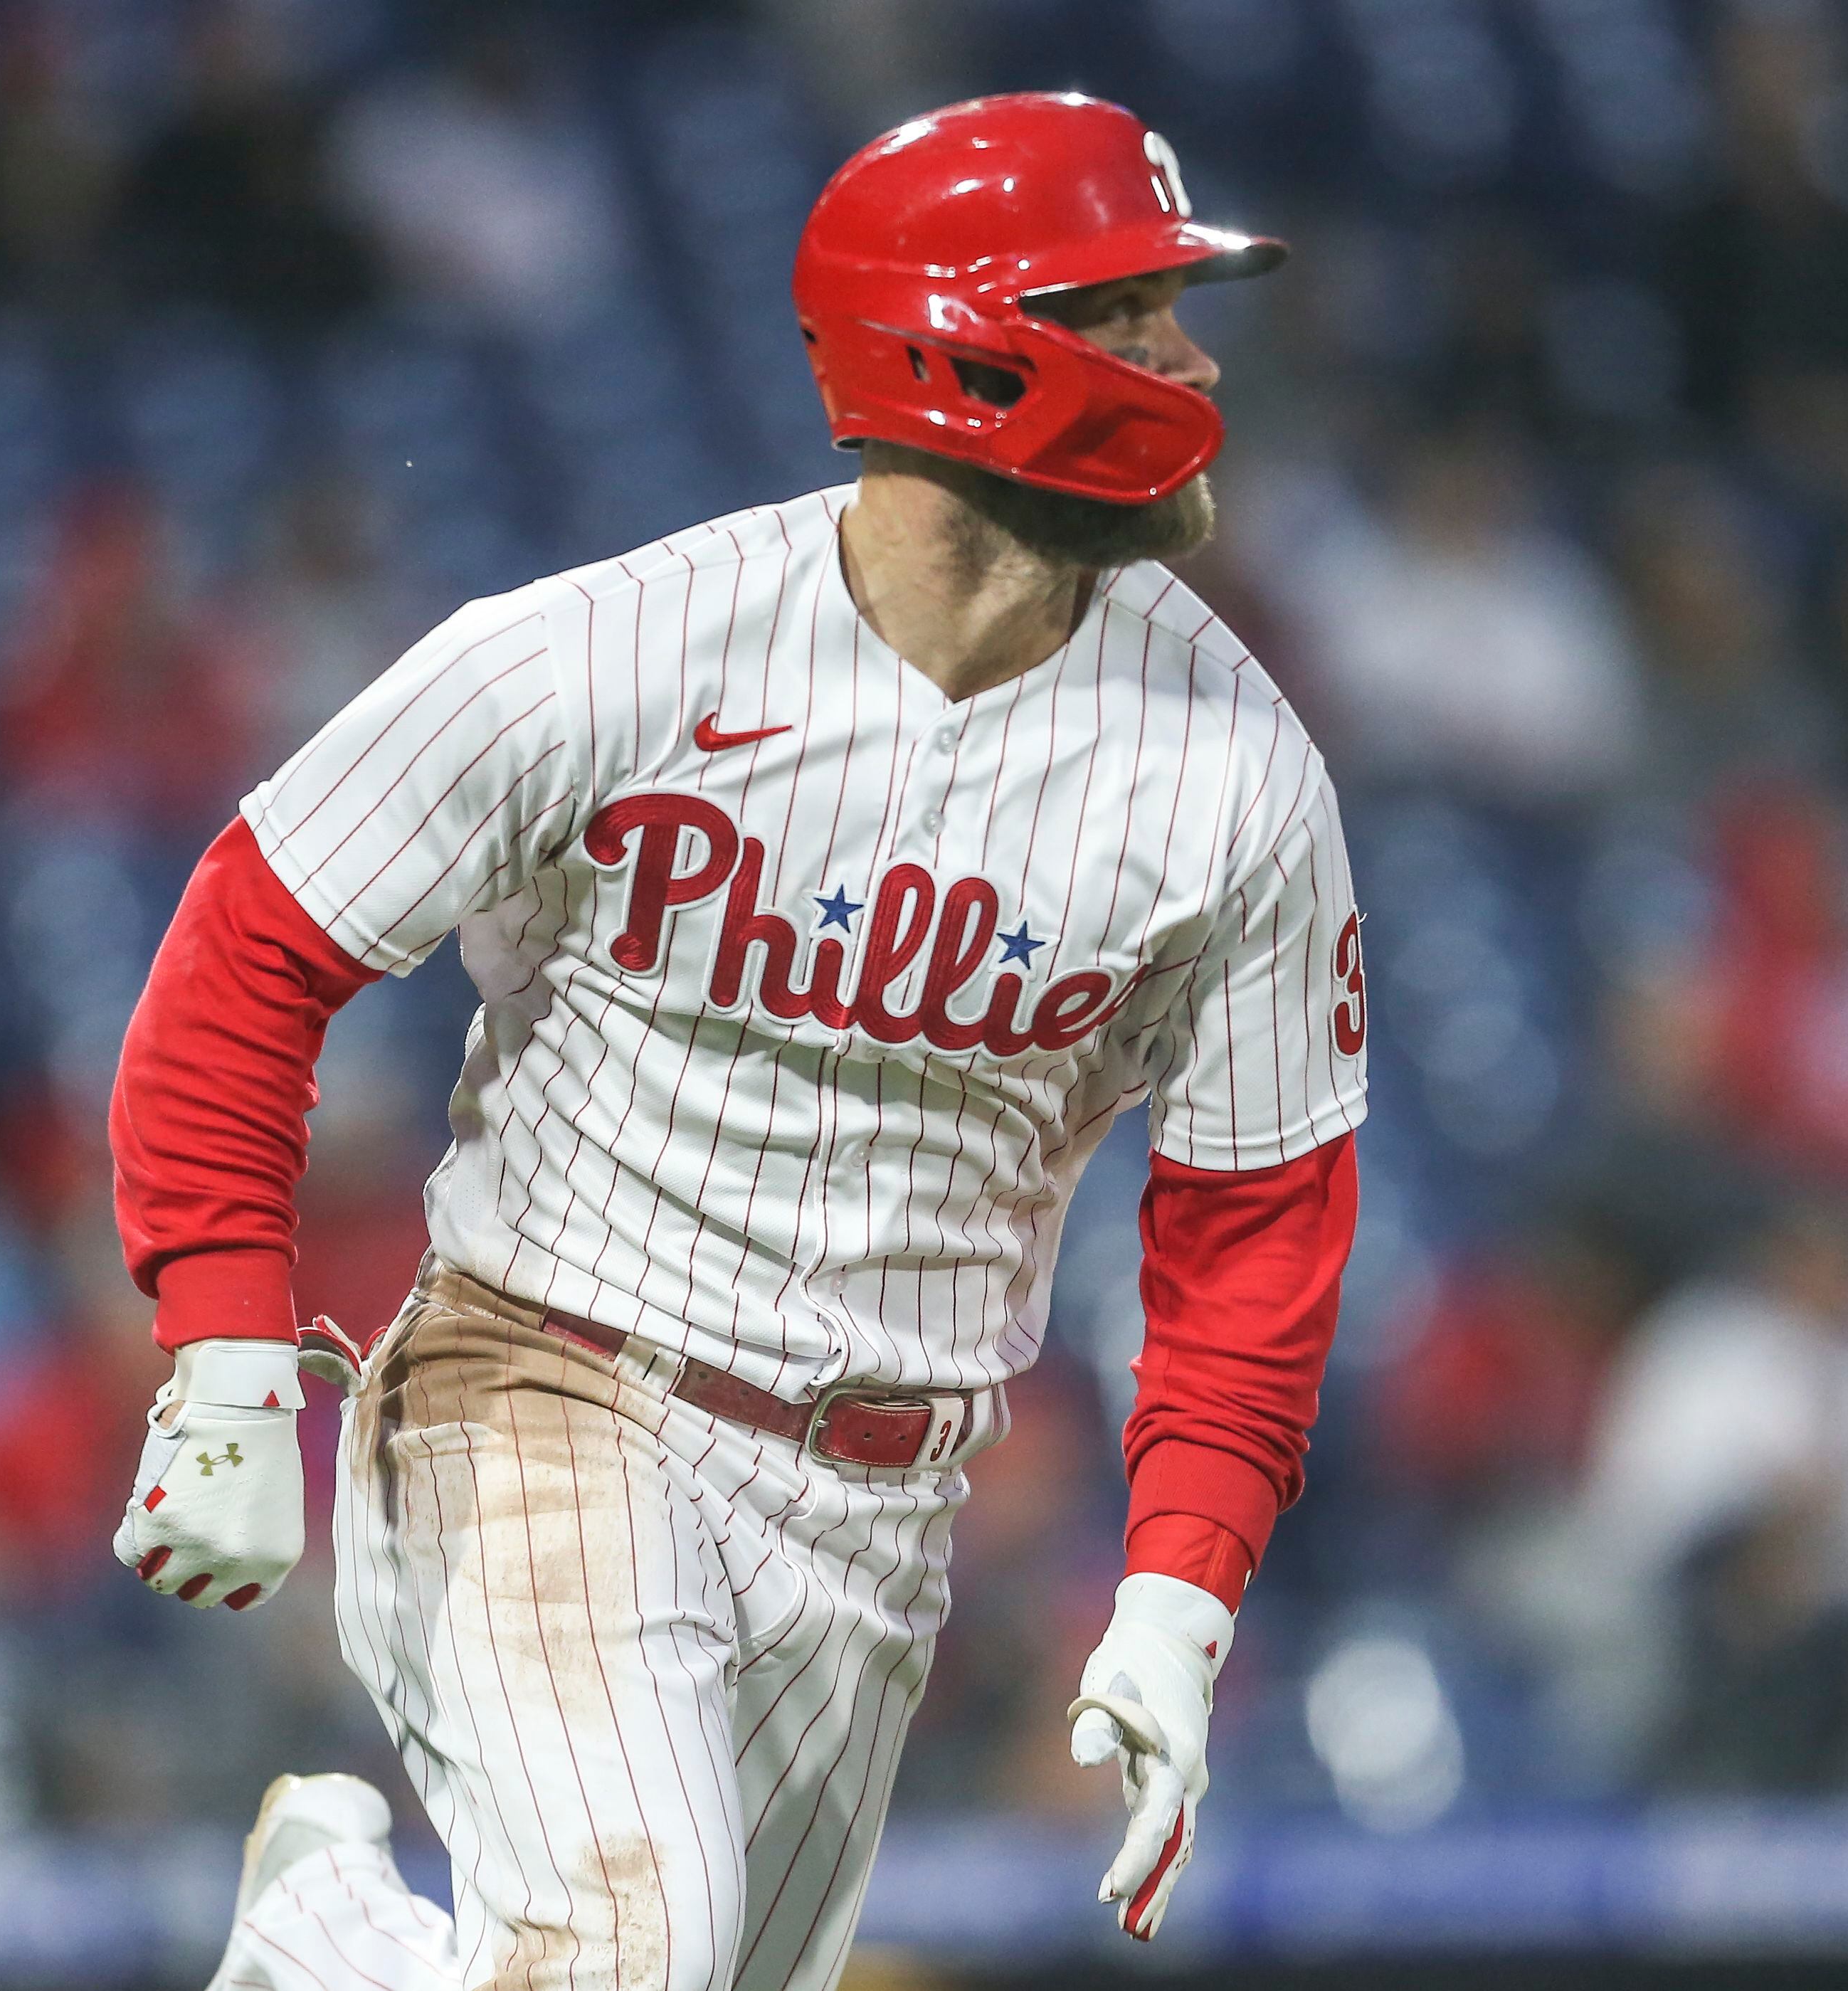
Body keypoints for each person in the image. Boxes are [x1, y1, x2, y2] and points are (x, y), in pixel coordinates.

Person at [106, 95, 1367, 1990]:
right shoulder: (610, 653)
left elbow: (1256, 1221)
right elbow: (250, 945)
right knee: (635, 1957)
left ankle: (331, 1950)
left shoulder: (1241, 775)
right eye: (1125, 312)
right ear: (957, 345)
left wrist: (1183, 1585)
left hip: (886, 1514)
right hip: (549, 1387)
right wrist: (222, 1345)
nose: (1189, 362)